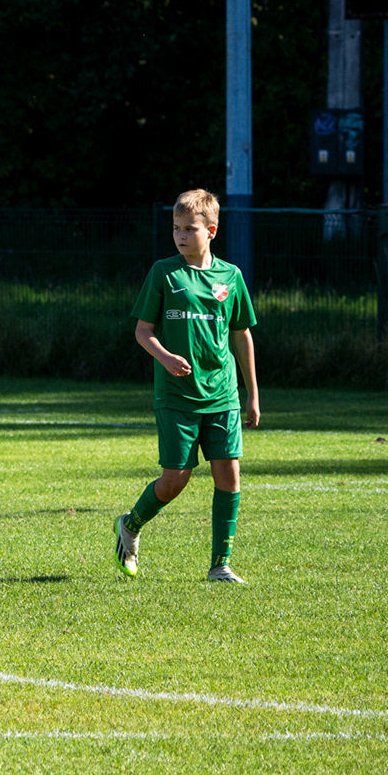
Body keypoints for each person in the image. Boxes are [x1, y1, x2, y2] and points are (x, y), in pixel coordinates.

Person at [114, 189, 259, 583]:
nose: (180, 235)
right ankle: (130, 524)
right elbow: (143, 331)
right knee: (175, 480)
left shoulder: (231, 276)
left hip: (223, 394)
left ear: (211, 231)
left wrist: (252, 394)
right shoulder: (164, 272)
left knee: (229, 475)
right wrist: (165, 357)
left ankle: (220, 565)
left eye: (189, 229)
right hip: (176, 396)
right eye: (176, 228)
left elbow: (241, 334)